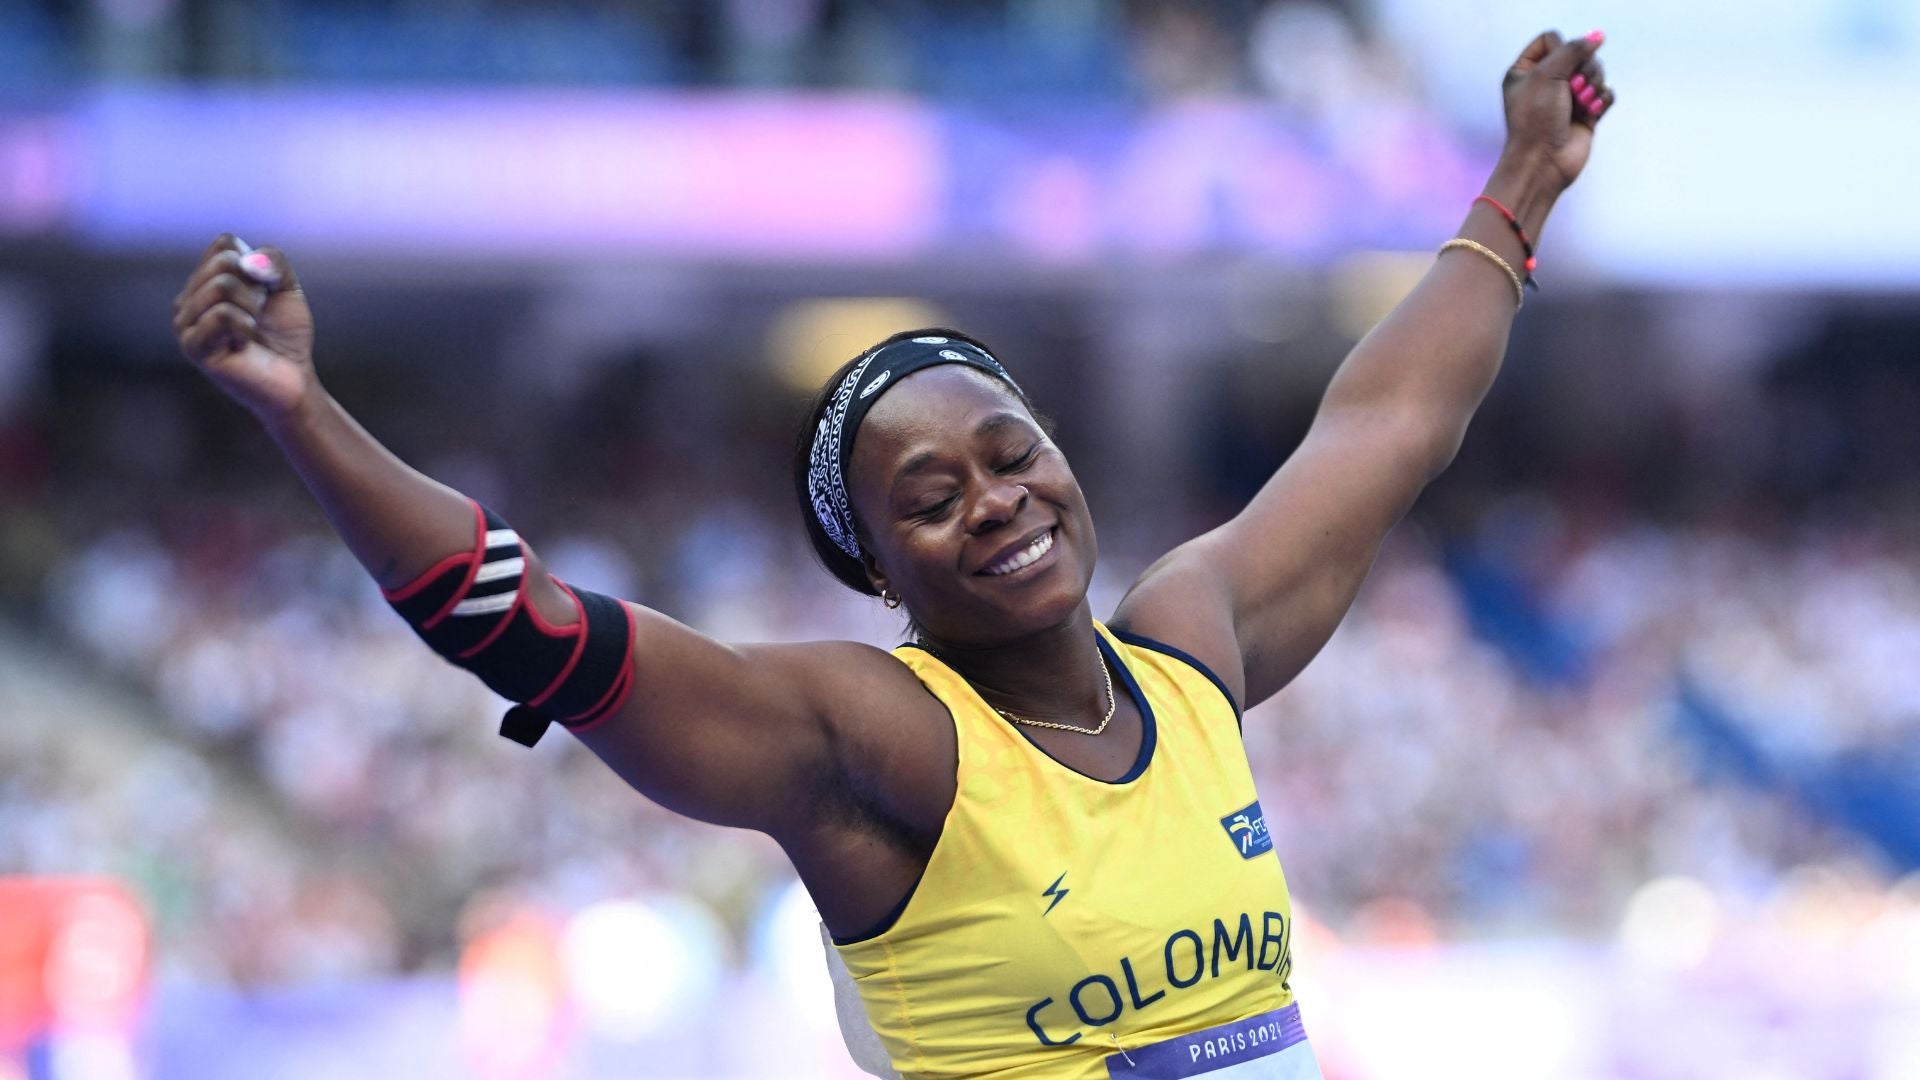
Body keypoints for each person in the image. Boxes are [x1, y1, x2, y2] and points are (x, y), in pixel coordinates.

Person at [169, 29, 1614, 1080]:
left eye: (1010, 452)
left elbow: (1388, 422)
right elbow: (529, 625)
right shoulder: (881, 735)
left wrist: (1519, 195)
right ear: (880, 570)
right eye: (929, 497)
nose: (996, 501)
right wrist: (307, 416)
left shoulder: (1191, 649)